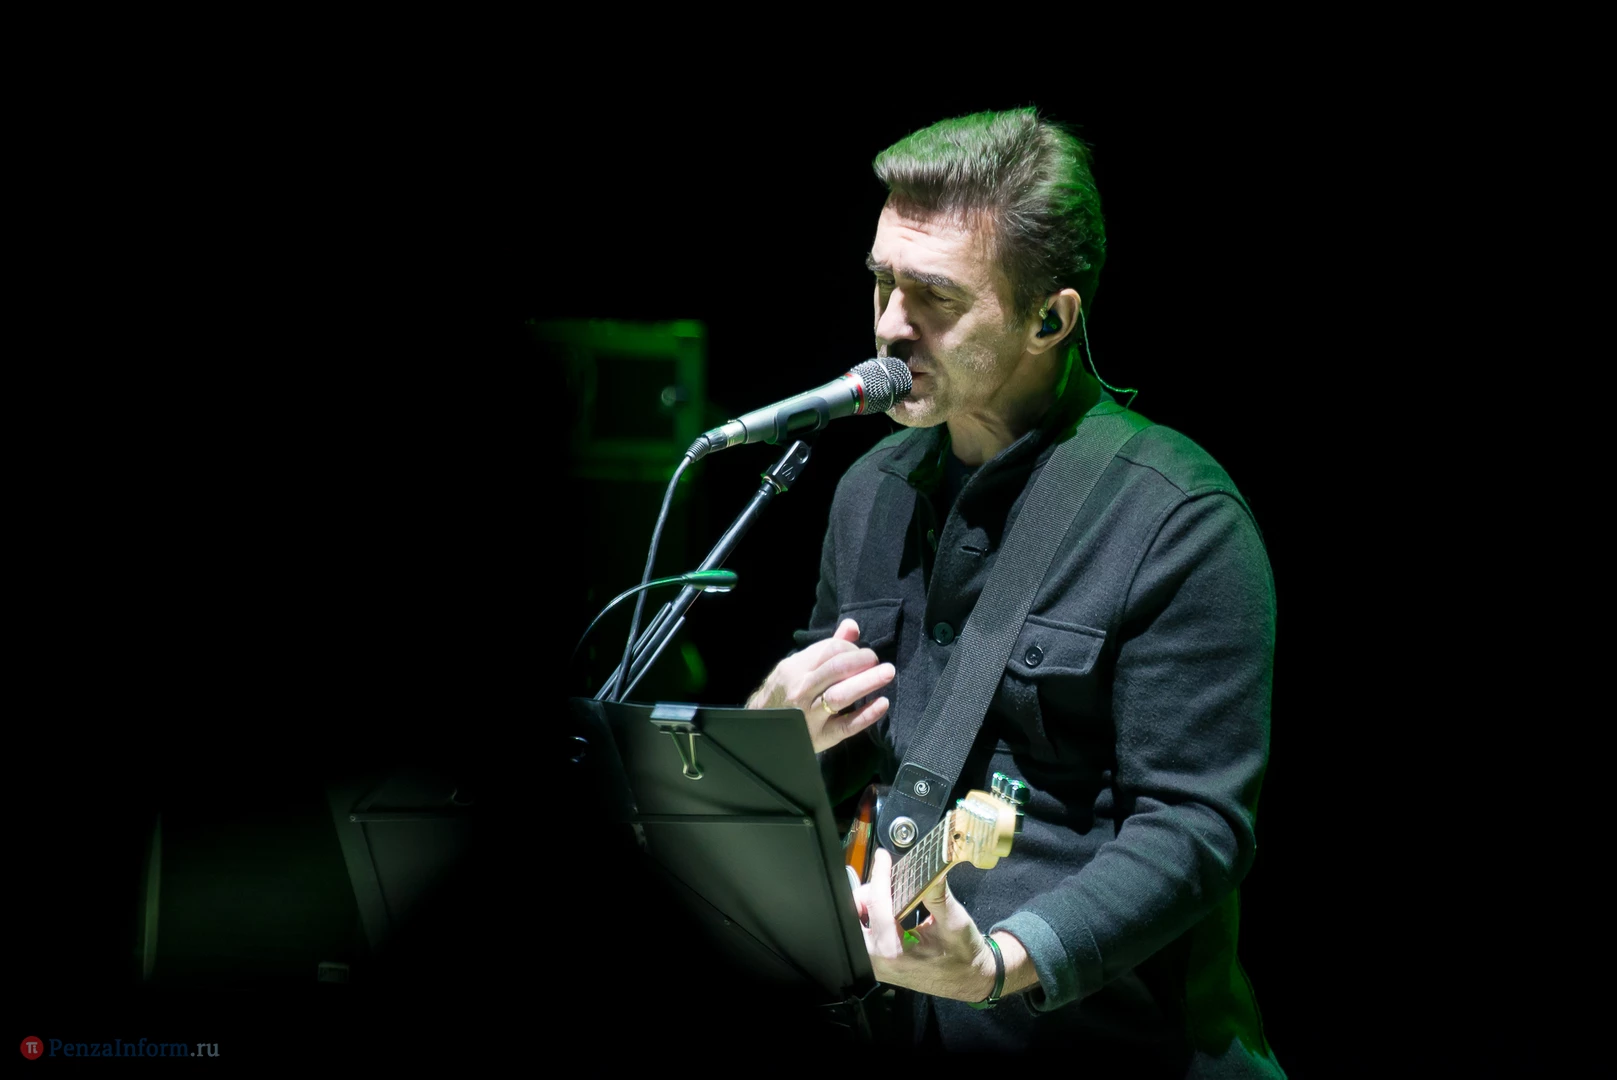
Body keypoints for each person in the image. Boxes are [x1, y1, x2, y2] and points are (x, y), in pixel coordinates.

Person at [745, 108, 1284, 1073]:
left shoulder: (1179, 519)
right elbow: (832, 781)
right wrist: (772, 740)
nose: (890, 324)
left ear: (1050, 319)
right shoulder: (869, 492)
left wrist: (1001, 962)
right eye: (882, 280)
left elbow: (1195, 826)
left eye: (935, 296)